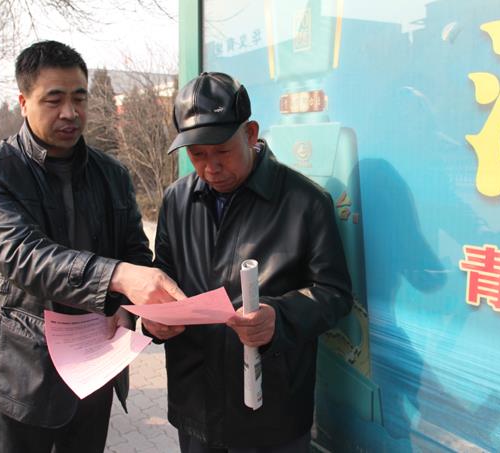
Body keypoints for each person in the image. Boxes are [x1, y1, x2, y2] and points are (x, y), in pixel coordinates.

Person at [0, 40, 185, 453]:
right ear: (24, 102)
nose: (70, 112)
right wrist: (118, 277)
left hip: (97, 360)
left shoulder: (112, 173)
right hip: (27, 365)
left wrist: (138, 308)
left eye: (79, 98)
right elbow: (22, 255)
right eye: (54, 100)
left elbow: (134, 251)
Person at [146, 72, 354, 452]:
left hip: (272, 410)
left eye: (222, 151)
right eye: (197, 155)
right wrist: (155, 318)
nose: (210, 167)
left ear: (251, 133)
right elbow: (165, 274)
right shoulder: (176, 200)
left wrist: (280, 318)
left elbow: (335, 294)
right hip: (196, 403)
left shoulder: (305, 202)